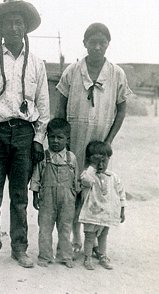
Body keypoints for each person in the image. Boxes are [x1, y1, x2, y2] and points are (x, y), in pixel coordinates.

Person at [0, 0, 50, 268]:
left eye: (19, 23)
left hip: (24, 134)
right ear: (1, 29)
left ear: (26, 28)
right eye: (9, 23)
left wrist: (39, 138)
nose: (15, 28)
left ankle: (20, 248)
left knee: (20, 195)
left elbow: (43, 105)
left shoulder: (37, 64)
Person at [56, 23, 131, 258]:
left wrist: (108, 141)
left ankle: (96, 240)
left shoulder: (116, 74)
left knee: (97, 189)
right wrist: (63, 140)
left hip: (99, 143)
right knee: (75, 188)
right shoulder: (72, 71)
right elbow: (60, 106)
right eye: (92, 42)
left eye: (102, 43)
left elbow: (121, 110)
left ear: (108, 44)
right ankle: (74, 236)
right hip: (76, 139)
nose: (97, 47)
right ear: (84, 43)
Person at [30, 118, 80, 268]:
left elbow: (76, 181)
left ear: (67, 139)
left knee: (65, 227)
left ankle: (65, 255)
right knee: (45, 227)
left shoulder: (71, 158)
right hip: (47, 198)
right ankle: (44, 256)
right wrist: (35, 196)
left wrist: (76, 197)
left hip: (67, 200)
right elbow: (36, 178)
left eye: (60, 137)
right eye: (52, 137)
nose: (56, 141)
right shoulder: (43, 157)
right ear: (47, 137)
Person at [79, 141, 126, 270]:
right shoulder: (87, 174)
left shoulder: (113, 177)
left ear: (109, 160)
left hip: (106, 213)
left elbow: (121, 194)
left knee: (103, 235)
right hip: (91, 212)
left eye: (103, 161)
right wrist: (92, 166)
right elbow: (86, 181)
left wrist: (122, 210)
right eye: (97, 162)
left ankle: (102, 255)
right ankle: (87, 257)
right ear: (90, 160)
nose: (101, 165)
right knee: (89, 236)